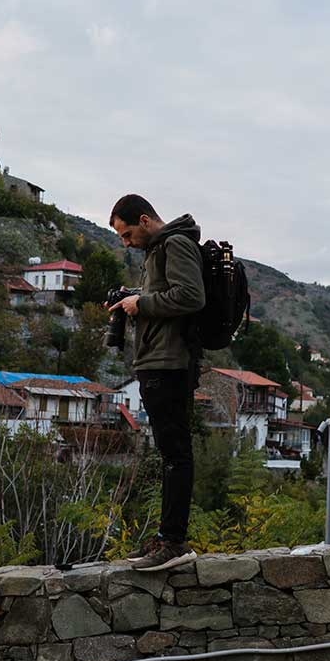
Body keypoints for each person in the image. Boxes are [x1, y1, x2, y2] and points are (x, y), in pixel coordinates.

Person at [107, 194, 204, 571]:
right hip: (156, 360)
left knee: (176, 454)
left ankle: (174, 542)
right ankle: (166, 537)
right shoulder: (158, 249)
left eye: (127, 234)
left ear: (145, 220)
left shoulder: (176, 244)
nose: (125, 243)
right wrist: (133, 298)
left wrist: (141, 304)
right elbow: (167, 296)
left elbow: (191, 296)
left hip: (169, 363)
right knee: (169, 454)